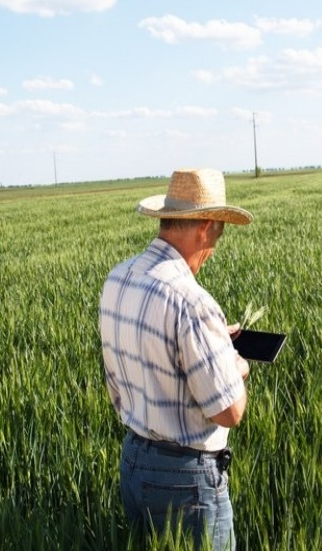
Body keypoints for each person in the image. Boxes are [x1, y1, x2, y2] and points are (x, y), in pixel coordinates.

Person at [99, 168, 253, 550]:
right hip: (186, 482)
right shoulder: (191, 300)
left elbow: (119, 380)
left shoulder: (118, 278)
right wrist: (234, 366)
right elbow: (228, 412)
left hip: (133, 463)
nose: (215, 248)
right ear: (205, 226)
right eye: (219, 233)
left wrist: (213, 342)